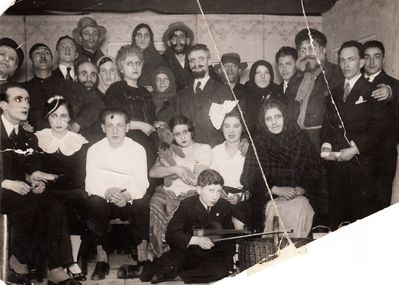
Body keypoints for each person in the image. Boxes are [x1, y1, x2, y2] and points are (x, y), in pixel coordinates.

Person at [0, 83, 81, 285]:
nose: (25, 104)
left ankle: (55, 268)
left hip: (20, 191)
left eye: (27, 100)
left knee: (55, 207)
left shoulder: (29, 138)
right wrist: (5, 183)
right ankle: (20, 262)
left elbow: (31, 169)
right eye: (18, 99)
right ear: (3, 104)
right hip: (3, 191)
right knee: (30, 208)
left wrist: (35, 181)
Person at [320, 41, 388, 230]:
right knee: (338, 221)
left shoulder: (373, 90)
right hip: (337, 166)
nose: (346, 65)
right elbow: (328, 123)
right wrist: (325, 144)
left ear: (361, 62)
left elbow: (379, 128)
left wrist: (354, 149)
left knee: (362, 223)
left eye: (351, 59)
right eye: (342, 60)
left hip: (362, 167)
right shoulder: (333, 92)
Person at [85, 109, 150, 280]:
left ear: (127, 127)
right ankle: (102, 260)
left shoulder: (137, 149)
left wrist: (127, 195)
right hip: (105, 200)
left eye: (119, 126)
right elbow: (90, 181)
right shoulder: (94, 150)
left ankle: (143, 259)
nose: (115, 131)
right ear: (102, 128)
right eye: (110, 126)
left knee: (143, 203)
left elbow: (142, 182)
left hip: (128, 200)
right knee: (94, 202)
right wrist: (106, 192)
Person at [241, 99, 320, 235]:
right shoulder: (259, 142)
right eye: (268, 119)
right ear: (263, 122)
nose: (274, 122)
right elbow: (251, 177)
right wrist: (276, 189)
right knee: (278, 210)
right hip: (268, 196)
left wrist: (302, 187)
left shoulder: (301, 138)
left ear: (285, 117)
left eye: (278, 117)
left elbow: (314, 168)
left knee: (301, 205)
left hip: (299, 193)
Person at [35, 96, 89, 281]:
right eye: (54, 116)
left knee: (78, 203)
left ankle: (72, 260)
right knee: (54, 208)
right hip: (46, 192)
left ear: (70, 118)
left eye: (63, 116)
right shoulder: (38, 139)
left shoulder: (79, 141)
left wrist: (53, 178)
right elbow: (34, 170)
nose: (59, 121)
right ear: (47, 117)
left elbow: (80, 176)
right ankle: (60, 264)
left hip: (73, 190)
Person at [149, 169, 235, 284]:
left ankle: (177, 275)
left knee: (221, 272)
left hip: (210, 254)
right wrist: (196, 240)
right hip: (188, 251)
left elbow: (229, 238)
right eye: (211, 190)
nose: (215, 196)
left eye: (219, 191)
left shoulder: (225, 206)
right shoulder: (187, 205)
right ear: (199, 190)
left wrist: (229, 264)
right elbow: (171, 234)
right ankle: (174, 271)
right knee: (177, 260)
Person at [148, 115, 212, 260]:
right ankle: (158, 255)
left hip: (190, 194)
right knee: (155, 202)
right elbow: (153, 172)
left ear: (191, 132)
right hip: (168, 192)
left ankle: (175, 253)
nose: (182, 137)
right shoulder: (169, 150)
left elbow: (198, 179)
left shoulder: (202, 148)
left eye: (185, 132)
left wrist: (175, 169)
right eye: (177, 134)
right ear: (172, 135)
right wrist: (175, 169)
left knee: (182, 207)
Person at [22, 43, 104, 134]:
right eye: (37, 53)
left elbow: (97, 103)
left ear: (52, 60)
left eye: (47, 53)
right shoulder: (23, 89)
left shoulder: (68, 85)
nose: (43, 56)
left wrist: (78, 124)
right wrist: (19, 125)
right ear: (30, 61)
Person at [104, 45, 158, 173]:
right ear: (121, 68)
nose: (135, 67)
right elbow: (111, 121)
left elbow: (152, 119)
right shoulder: (116, 89)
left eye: (138, 63)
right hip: (125, 144)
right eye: (130, 63)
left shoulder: (145, 92)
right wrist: (140, 125)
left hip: (148, 145)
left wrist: (157, 124)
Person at [173, 43, 235, 147]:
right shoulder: (182, 94)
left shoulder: (223, 90)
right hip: (189, 152)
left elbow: (232, 123)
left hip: (215, 151)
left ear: (209, 61)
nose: (197, 63)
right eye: (192, 60)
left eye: (201, 59)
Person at [363, 40, 399, 210]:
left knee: (379, 208)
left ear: (383, 59)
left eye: (376, 57)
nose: (371, 62)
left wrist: (390, 93)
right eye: (367, 57)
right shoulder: (354, 82)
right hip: (357, 158)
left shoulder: (393, 85)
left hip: (382, 160)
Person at [210, 110, 250, 230]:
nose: (231, 131)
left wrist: (240, 196)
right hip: (219, 196)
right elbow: (210, 179)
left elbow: (254, 184)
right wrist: (218, 192)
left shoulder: (249, 151)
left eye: (236, 126)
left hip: (243, 197)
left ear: (242, 128)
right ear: (222, 128)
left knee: (239, 223)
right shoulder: (215, 151)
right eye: (227, 126)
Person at [244, 60, 276, 134]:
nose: (262, 77)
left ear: (271, 76)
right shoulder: (244, 94)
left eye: (266, 73)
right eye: (258, 73)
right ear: (253, 76)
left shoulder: (278, 92)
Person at [161, 22, 195, 91]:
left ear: (187, 41)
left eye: (181, 37)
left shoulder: (196, 58)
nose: (178, 41)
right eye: (174, 38)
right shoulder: (162, 61)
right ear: (169, 42)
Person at [131, 23, 165, 90]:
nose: (142, 39)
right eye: (139, 35)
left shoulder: (158, 59)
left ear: (150, 38)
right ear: (134, 38)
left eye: (146, 35)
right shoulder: (128, 57)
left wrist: (154, 88)